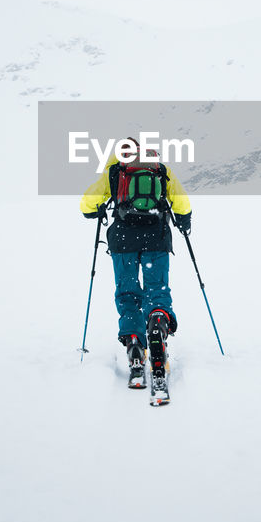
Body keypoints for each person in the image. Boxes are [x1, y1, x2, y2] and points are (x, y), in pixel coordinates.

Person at [80, 137, 192, 388]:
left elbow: (87, 204)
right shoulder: (159, 169)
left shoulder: (115, 170)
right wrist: (184, 221)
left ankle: (134, 343)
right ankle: (158, 322)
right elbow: (182, 201)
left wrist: (98, 208)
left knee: (128, 292)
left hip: (123, 240)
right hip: (157, 236)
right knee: (157, 290)